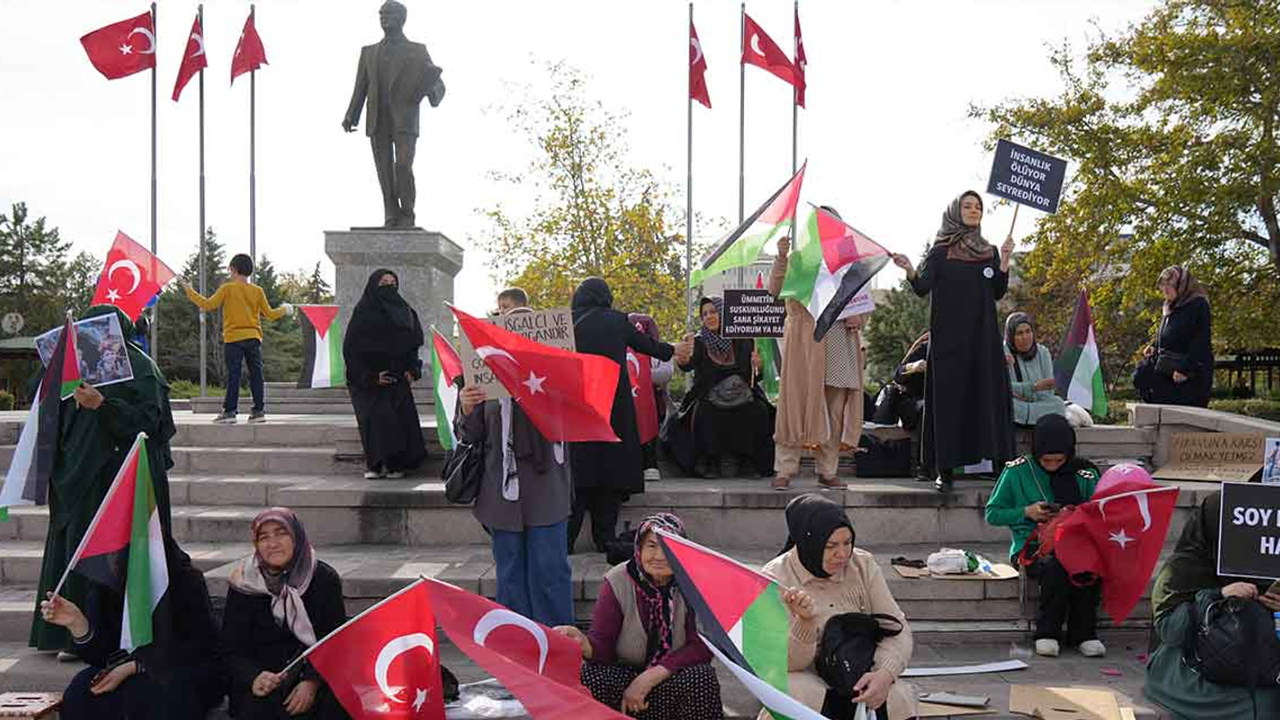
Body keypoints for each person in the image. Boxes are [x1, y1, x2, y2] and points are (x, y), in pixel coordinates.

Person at [30, 306, 177, 652]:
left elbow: (151, 426)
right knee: (75, 547)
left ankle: (114, 636)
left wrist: (103, 404)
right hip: (75, 473)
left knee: (113, 555)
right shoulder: (74, 364)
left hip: (120, 474)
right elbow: (47, 408)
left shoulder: (142, 368)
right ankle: (68, 634)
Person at [456, 288, 574, 627]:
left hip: (547, 489)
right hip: (501, 492)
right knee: (509, 574)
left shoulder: (557, 378)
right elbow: (471, 434)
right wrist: (467, 407)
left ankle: (556, 647)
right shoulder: (482, 376)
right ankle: (518, 648)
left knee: (550, 570)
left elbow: (581, 426)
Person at [892, 191, 1015, 492]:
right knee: (948, 402)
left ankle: (1000, 467)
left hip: (982, 340)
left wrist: (1006, 259)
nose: (974, 211)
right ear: (955, 211)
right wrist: (909, 269)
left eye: (978, 207)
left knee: (986, 397)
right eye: (967, 206)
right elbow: (922, 287)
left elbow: (998, 291)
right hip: (949, 342)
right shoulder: (941, 251)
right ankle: (944, 470)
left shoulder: (989, 250)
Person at [761, 494, 916, 720]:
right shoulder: (775, 579)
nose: (842, 554)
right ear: (808, 543)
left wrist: (884, 673)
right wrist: (805, 623)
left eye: (847, 543)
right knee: (794, 692)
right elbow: (785, 664)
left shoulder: (863, 565)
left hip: (861, 672)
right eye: (831, 546)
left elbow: (897, 629)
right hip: (810, 678)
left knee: (899, 696)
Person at [554, 514, 722, 720]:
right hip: (625, 674)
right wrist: (583, 643)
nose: (660, 556)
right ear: (639, 549)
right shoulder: (618, 580)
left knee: (701, 678)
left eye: (668, 547)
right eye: (651, 546)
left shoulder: (695, 583)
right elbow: (603, 648)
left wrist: (649, 678)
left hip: (672, 675)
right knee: (590, 677)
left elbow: (701, 646)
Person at [41, 540, 228, 719]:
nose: (113, 559)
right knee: (81, 690)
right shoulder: (105, 584)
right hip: (123, 663)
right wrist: (78, 624)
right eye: (111, 553)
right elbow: (101, 655)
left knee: (159, 693)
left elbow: (201, 646)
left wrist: (136, 667)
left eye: (121, 553)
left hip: (183, 665)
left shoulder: (184, 580)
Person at [568, 278, 686, 553]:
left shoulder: (566, 323)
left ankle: (566, 540)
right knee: (610, 473)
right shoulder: (617, 321)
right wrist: (674, 349)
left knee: (577, 474)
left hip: (578, 407)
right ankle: (605, 538)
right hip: (613, 407)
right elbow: (648, 346)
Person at [1144, 492, 1280, 718]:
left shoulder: (1268, 556)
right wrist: (1218, 595)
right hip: (1196, 672)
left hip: (1264, 669)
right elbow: (1170, 630)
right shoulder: (1183, 567)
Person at [985, 414, 1104, 658]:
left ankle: (1084, 633)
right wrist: (1026, 512)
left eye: (1058, 460)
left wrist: (1072, 514)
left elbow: (1099, 511)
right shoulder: (1017, 471)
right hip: (1032, 545)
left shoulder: (1084, 473)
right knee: (1056, 566)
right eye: (1046, 460)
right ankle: (1047, 632)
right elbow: (993, 514)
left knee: (1088, 563)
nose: (1052, 465)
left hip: (1075, 541)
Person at [770, 208, 869, 491]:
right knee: (796, 403)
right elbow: (775, 290)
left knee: (833, 408)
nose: (826, 228)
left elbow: (863, 300)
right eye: (820, 224)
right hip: (805, 340)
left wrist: (859, 316)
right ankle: (784, 469)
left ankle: (828, 470)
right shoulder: (800, 260)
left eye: (832, 223)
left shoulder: (848, 261)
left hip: (838, 338)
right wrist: (780, 257)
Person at [223, 508, 351, 720]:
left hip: (313, 673)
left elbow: (335, 641)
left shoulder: (323, 578)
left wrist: (311, 682)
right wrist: (254, 677)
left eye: (281, 533)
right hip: (264, 679)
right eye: (263, 537)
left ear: (296, 536)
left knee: (332, 707)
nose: (272, 544)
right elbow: (230, 648)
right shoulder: (244, 582)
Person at [341, 0, 446, 229]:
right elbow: (361, 86)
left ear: (401, 18)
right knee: (384, 172)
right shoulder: (368, 52)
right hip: (378, 119)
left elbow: (438, 84)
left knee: (403, 166)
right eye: (381, 13)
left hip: (405, 119)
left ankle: (407, 213)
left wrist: (430, 90)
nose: (383, 17)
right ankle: (391, 213)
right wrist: (352, 114)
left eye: (388, 13)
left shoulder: (417, 50)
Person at [666, 297, 774, 479]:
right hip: (708, 394)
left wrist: (759, 366)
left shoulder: (743, 339)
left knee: (758, 410)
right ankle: (709, 461)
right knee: (704, 412)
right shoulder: (699, 342)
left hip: (742, 394)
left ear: (725, 314)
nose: (709, 317)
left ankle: (748, 462)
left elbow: (755, 377)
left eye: (714, 312)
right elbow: (687, 365)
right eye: (705, 314)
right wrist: (682, 359)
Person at [181, 253, 294, 424]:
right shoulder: (258, 291)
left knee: (234, 374)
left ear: (233, 269)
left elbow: (207, 304)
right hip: (253, 337)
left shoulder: (227, 288)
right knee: (256, 374)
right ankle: (258, 411)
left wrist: (189, 290)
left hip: (233, 338)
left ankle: (230, 412)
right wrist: (284, 310)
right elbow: (270, 314)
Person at [343, 269, 427, 479]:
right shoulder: (362, 312)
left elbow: (413, 344)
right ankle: (375, 465)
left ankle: (396, 465)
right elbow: (351, 349)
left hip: (396, 376)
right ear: (373, 285)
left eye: (393, 282)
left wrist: (412, 369)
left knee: (398, 422)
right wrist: (370, 377)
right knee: (375, 421)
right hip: (368, 380)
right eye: (383, 282)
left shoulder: (405, 311)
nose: (389, 286)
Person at [1133, 266, 1213, 408]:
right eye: (1163, 284)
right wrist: (1153, 345)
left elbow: (1201, 341)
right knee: (1141, 375)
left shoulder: (1198, 305)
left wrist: (1185, 370)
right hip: (1166, 366)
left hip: (1187, 374)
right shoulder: (1170, 306)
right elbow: (1168, 334)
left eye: (1170, 284)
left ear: (1181, 285)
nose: (1165, 289)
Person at [629, 312, 673, 482]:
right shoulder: (620, 350)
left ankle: (650, 463)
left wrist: (640, 375)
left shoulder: (660, 349)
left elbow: (666, 373)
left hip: (655, 402)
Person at [1005, 312, 1067, 426]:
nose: (1025, 337)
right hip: (1016, 405)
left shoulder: (1043, 352)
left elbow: (1048, 392)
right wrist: (1034, 387)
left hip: (1035, 405)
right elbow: (1003, 388)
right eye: (1019, 333)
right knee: (1004, 404)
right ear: (1011, 336)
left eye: (1028, 331)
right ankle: (1034, 418)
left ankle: (1026, 418)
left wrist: (1024, 394)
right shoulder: (1004, 353)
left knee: (1058, 404)